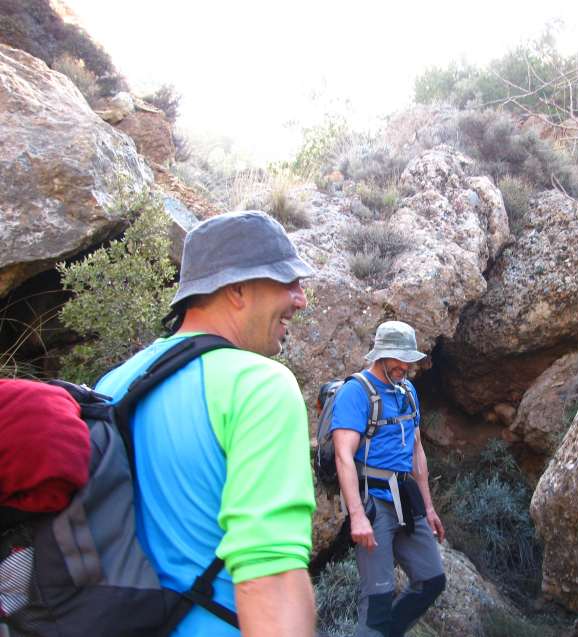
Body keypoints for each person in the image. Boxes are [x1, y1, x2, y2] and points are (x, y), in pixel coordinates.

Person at [96, 211, 317, 637]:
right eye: (287, 281)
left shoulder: (116, 382)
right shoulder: (258, 385)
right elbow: (269, 580)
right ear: (237, 289)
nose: (300, 299)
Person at [330, 321, 446, 637]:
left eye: (409, 360)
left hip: (406, 497)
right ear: (380, 354)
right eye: (398, 359)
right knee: (378, 603)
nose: (405, 366)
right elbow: (343, 456)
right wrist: (357, 516)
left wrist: (429, 507)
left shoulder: (407, 391)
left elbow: (417, 450)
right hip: (373, 503)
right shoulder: (355, 392)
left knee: (432, 580)